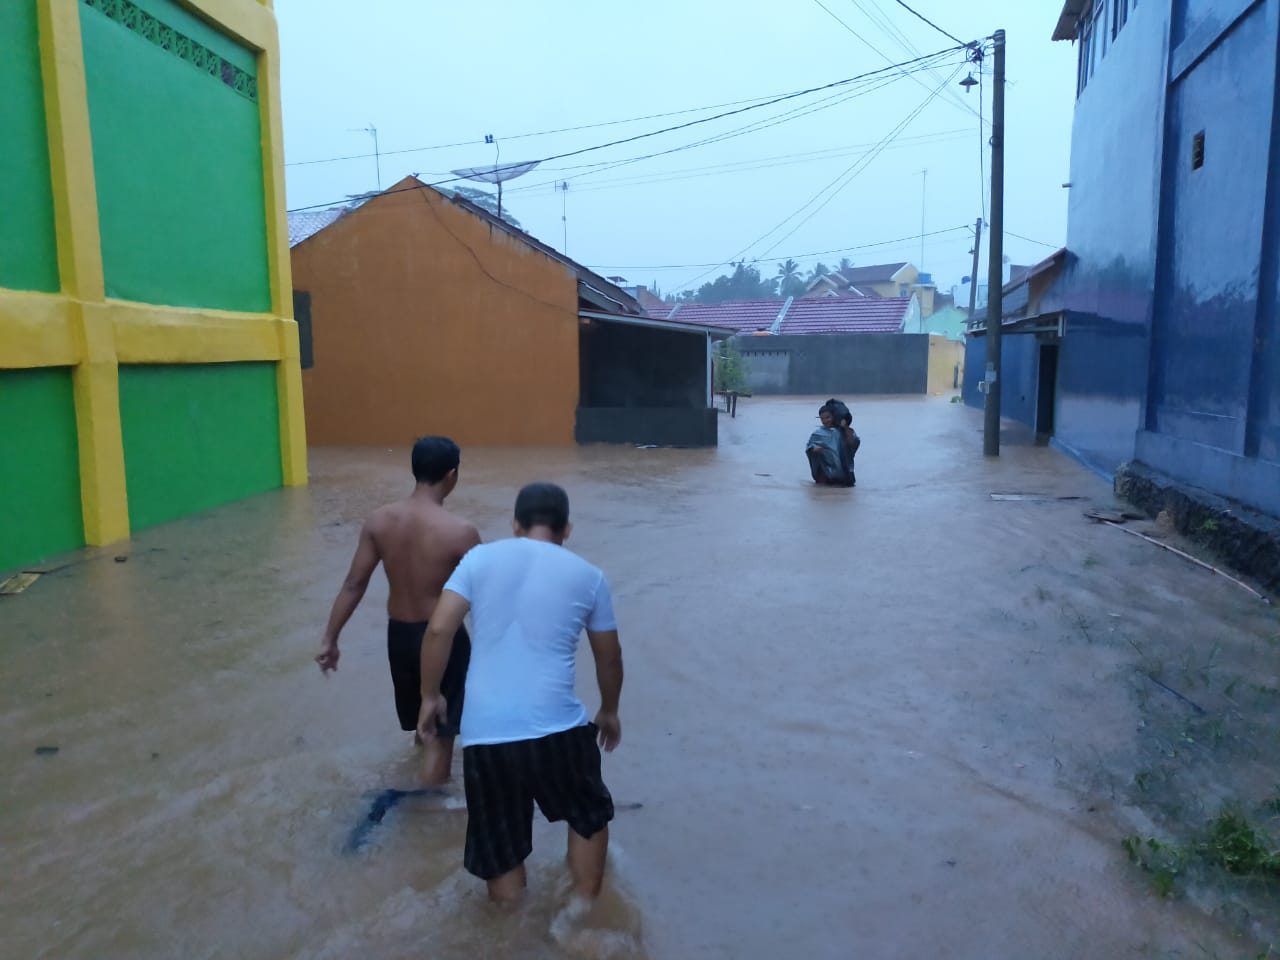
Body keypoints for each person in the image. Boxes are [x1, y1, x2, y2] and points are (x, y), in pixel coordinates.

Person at [416, 482, 624, 909]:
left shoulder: (478, 560)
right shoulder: (589, 576)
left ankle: (513, 928)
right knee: (588, 814)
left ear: (514, 525)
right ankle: (581, 912)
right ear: (567, 529)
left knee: (500, 841)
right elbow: (609, 657)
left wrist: (430, 696)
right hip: (558, 729)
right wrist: (609, 710)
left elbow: (439, 629)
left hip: (485, 736)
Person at [316, 436, 481, 785]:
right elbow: (486, 599)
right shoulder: (461, 532)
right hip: (443, 640)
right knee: (440, 730)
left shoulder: (379, 521)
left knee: (423, 726)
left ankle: (414, 785)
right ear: (451, 475)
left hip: (399, 637)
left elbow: (353, 584)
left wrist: (330, 638)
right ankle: (425, 821)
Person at [805, 399, 858, 487]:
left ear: (834, 416)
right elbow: (809, 447)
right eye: (822, 419)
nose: (825, 421)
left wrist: (845, 427)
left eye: (828, 417)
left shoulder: (844, 432)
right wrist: (814, 449)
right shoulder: (818, 433)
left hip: (844, 477)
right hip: (825, 476)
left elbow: (854, 444)